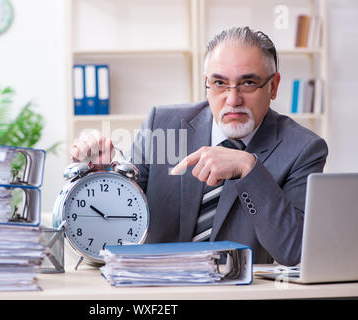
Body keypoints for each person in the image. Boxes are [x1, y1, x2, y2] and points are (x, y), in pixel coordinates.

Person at [70, 27, 328, 266]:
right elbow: (113, 234)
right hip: (155, 291)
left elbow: (294, 252)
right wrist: (100, 178)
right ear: (206, 84)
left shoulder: (303, 149)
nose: (233, 99)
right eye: (219, 83)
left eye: (248, 83)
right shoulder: (163, 125)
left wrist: (249, 169)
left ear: (273, 86)